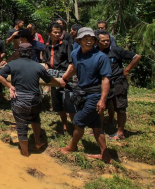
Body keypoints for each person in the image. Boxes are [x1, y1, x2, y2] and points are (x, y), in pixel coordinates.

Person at [0, 43, 60, 157]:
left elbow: (0, 75)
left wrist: (10, 86)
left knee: (21, 126)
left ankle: (25, 154)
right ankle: (38, 142)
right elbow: (50, 80)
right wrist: (61, 84)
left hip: (19, 99)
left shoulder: (12, 64)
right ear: (31, 53)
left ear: (19, 53)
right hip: (35, 99)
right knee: (35, 118)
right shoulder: (38, 66)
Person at [60, 27, 112, 163]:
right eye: (85, 39)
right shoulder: (76, 53)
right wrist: (65, 78)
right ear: (79, 40)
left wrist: (102, 100)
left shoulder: (101, 57)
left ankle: (73, 146)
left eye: (91, 39)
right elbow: (74, 68)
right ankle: (105, 155)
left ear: (95, 41)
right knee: (96, 126)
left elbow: (105, 79)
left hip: (95, 94)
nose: (89, 41)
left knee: (78, 121)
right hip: (82, 93)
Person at [97, 30, 140, 140]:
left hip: (118, 82)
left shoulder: (115, 50)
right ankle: (98, 130)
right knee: (100, 107)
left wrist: (127, 70)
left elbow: (136, 56)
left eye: (108, 40)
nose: (106, 42)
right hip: (102, 83)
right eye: (103, 41)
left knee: (120, 107)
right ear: (97, 41)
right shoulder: (95, 52)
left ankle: (120, 132)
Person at [43, 22, 76, 134]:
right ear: (49, 33)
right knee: (58, 103)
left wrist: (65, 78)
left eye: (59, 32)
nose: (57, 34)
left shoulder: (66, 44)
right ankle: (64, 125)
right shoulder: (47, 47)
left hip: (65, 75)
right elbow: (46, 63)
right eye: (55, 32)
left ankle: (76, 128)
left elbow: (71, 63)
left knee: (69, 102)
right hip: (53, 77)